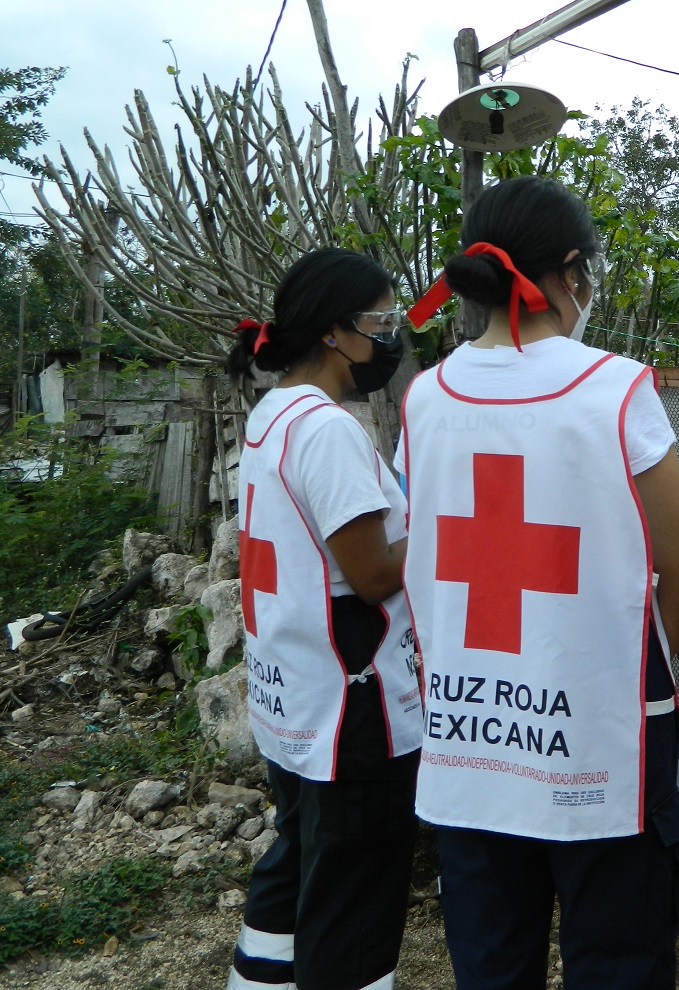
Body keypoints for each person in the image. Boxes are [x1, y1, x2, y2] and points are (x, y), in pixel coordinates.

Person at [397, 175, 679, 990]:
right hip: (602, 739)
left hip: (468, 739)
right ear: (570, 272)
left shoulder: (424, 397)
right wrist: (619, 685)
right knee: (620, 960)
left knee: (491, 962)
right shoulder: (614, 386)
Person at [224, 247, 422, 990]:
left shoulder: (272, 414)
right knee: (356, 902)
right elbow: (373, 574)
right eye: (382, 319)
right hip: (352, 709)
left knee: (301, 857)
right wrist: (440, 533)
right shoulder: (329, 430)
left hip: (293, 700)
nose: (392, 333)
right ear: (337, 332)